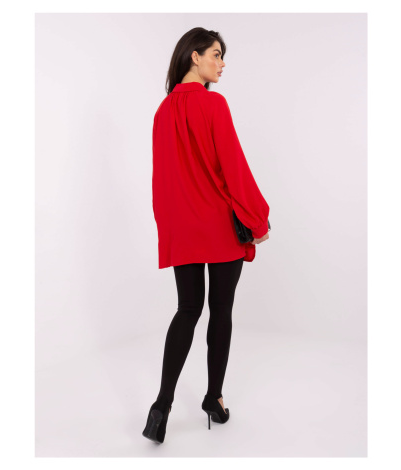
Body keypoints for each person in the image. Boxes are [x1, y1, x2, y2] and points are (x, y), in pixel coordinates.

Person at [142, 27, 270, 444]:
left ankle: (161, 406)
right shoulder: (214, 104)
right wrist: (258, 219)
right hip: (219, 226)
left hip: (183, 228)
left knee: (187, 310)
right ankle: (214, 398)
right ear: (194, 56)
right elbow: (234, 166)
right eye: (216, 54)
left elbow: (162, 181)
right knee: (221, 311)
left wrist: (169, 230)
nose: (222, 62)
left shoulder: (163, 112)